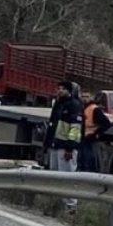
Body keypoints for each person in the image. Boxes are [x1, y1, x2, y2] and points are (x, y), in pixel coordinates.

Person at [44, 80, 85, 210]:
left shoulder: (74, 105)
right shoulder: (58, 104)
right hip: (55, 145)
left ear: (69, 91)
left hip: (66, 148)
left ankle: (71, 206)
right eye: (59, 88)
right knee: (55, 176)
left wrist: (70, 147)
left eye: (63, 88)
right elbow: (52, 125)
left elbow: (75, 128)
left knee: (67, 177)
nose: (60, 90)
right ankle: (58, 206)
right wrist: (47, 144)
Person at [82, 91, 113, 173]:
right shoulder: (84, 107)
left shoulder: (94, 109)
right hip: (85, 137)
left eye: (87, 96)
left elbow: (106, 123)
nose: (84, 98)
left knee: (90, 158)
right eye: (83, 96)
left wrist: (97, 133)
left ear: (91, 97)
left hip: (90, 137)